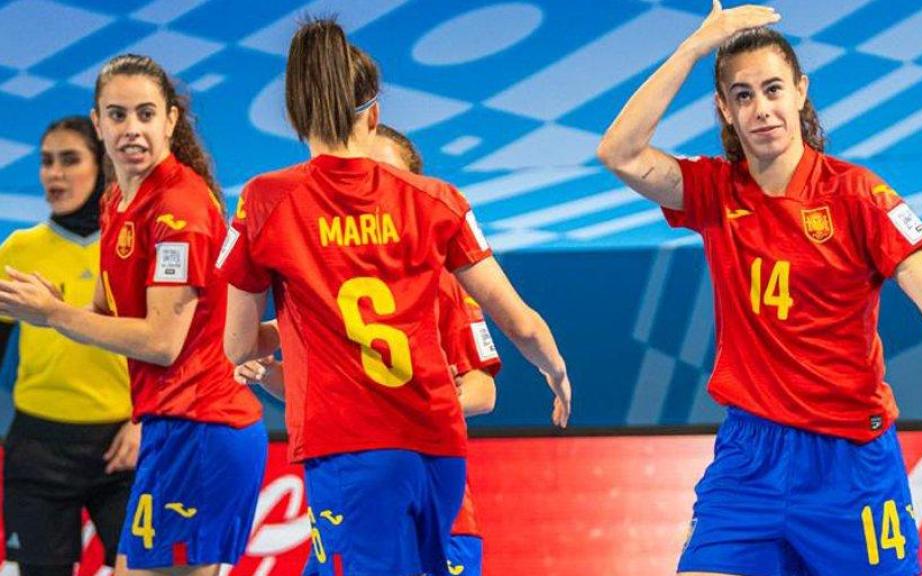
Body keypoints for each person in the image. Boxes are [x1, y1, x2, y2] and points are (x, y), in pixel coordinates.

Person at [596, 2, 922, 575]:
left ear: (800, 91)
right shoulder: (715, 192)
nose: (761, 109)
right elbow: (618, 152)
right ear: (724, 108)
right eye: (742, 95)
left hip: (850, 461)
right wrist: (693, 49)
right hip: (750, 457)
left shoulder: (857, 195)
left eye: (773, 89)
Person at [217, 20, 570, 576]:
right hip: (438, 450)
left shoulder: (265, 200)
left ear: (293, 115)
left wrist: (297, 326)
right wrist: (554, 370)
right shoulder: (438, 198)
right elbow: (520, 322)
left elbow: (236, 346)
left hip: (348, 451)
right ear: (374, 113)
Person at [0, 54, 267, 574]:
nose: (132, 129)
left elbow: (160, 341)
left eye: (146, 114)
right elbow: (106, 310)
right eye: (117, 115)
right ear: (98, 123)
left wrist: (54, 315)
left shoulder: (180, 209)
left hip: (204, 428)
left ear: (170, 119)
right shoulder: (118, 201)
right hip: (171, 425)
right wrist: (47, 305)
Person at [235, 123, 500, 576]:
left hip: (436, 508)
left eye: (382, 173)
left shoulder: (442, 285)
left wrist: (415, 406)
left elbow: (483, 390)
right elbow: (311, 392)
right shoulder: (316, 292)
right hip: (351, 482)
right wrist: (265, 371)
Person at [0, 116, 135, 576]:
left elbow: (173, 346)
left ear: (102, 165)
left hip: (124, 447)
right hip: (38, 447)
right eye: (46, 162)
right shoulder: (18, 250)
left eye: (69, 160)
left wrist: (143, 422)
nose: (54, 174)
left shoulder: (130, 245)